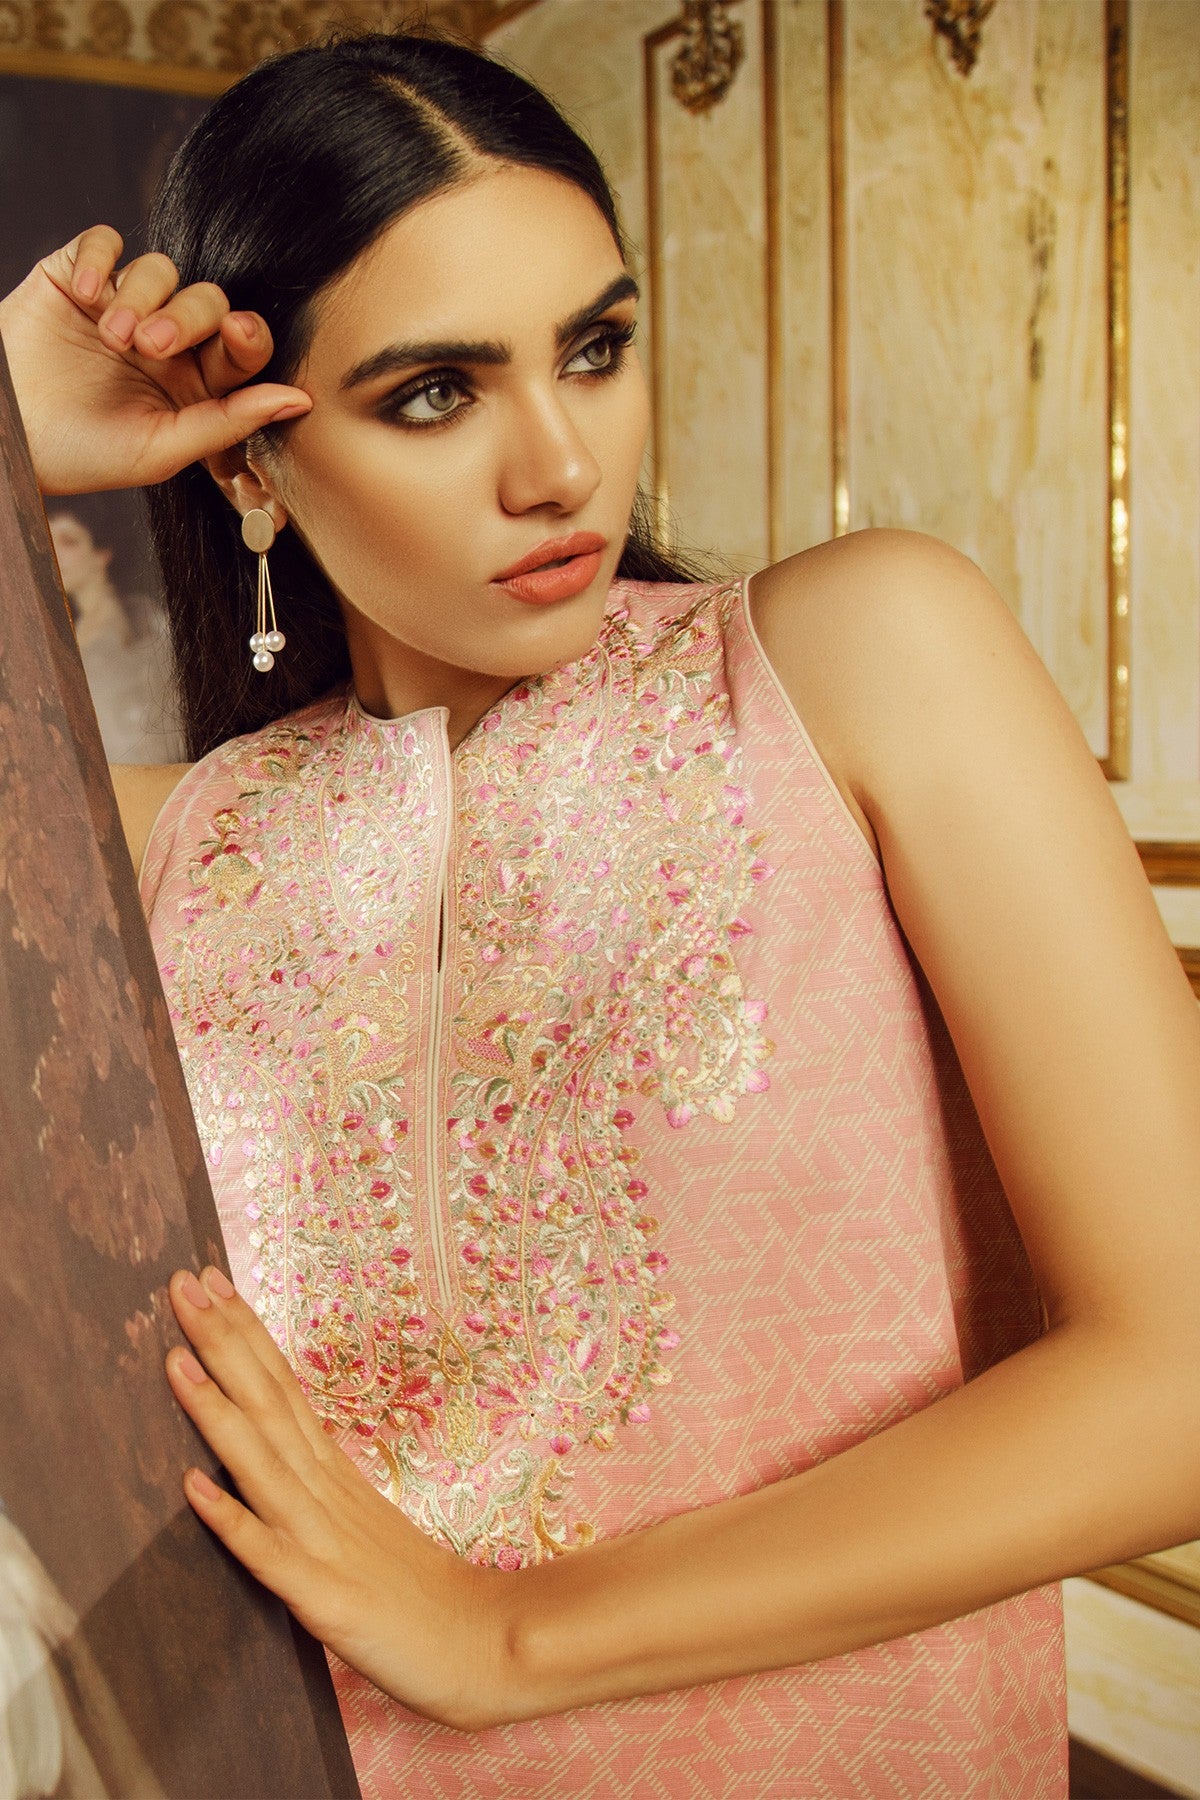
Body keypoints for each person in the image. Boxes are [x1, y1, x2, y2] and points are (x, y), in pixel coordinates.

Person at [3, 27, 1199, 1800]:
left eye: (594, 348)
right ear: (248, 459)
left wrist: (507, 1635)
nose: (560, 463)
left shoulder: (861, 660)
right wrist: (5, 432)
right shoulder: (164, 848)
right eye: (435, 392)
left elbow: (1180, 1381)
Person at [48, 508, 185, 764]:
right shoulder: (69, 631)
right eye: (49, 540)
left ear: (101, 553)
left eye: (68, 542)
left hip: (148, 769)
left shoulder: (139, 619)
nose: (55, 553)